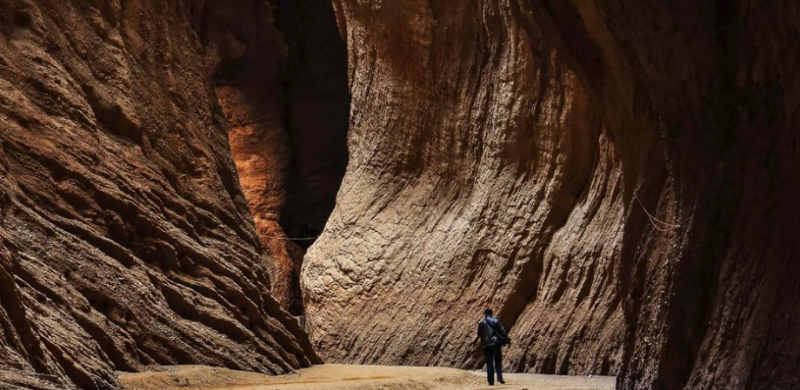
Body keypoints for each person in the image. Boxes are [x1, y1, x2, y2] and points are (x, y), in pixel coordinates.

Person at [477, 308, 510, 385]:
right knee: (498, 360)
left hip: (486, 345)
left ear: (485, 314)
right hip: (496, 343)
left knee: (489, 363)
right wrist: (506, 338)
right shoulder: (496, 321)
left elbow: (479, 334)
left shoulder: (481, 323)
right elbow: (502, 331)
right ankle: (499, 377)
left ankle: (490, 381)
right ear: (491, 314)